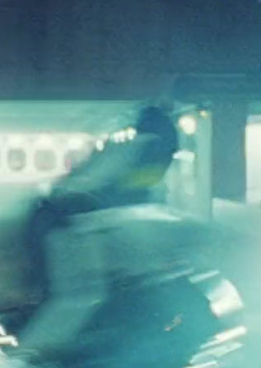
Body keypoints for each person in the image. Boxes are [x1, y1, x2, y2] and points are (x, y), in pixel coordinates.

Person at [17, 104, 181, 309]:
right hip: (69, 217)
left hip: (54, 215)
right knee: (79, 293)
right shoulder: (150, 147)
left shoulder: (126, 147)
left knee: (65, 289)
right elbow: (133, 194)